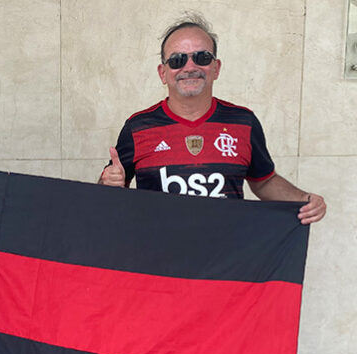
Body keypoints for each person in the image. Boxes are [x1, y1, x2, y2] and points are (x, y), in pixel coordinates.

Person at [99, 14, 326, 224]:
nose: (190, 67)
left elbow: (264, 181)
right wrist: (107, 184)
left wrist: (304, 199)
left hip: (226, 260)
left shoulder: (243, 123)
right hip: (158, 260)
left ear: (216, 68)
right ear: (163, 72)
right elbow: (106, 196)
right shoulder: (138, 127)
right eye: (178, 60)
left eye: (202, 57)